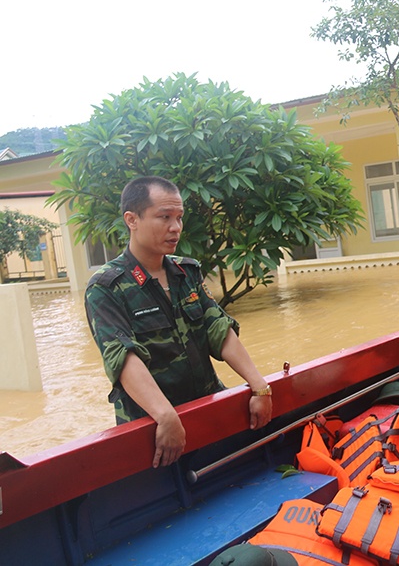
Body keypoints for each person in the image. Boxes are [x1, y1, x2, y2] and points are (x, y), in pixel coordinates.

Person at [85, 176, 273, 469]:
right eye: (164, 217)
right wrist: (165, 415)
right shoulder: (106, 287)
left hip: (208, 410)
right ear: (131, 219)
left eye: (179, 218)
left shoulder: (187, 272)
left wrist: (259, 385)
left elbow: (217, 328)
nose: (175, 228)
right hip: (151, 431)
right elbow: (122, 357)